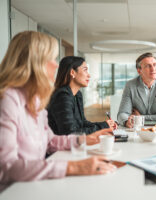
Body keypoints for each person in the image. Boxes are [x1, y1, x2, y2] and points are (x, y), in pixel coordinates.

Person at [0, 31, 116, 192]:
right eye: (51, 59)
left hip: (35, 185)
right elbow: (8, 166)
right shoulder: (7, 99)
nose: (56, 65)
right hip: (12, 191)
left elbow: (50, 141)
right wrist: (74, 167)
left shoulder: (35, 98)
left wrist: (83, 140)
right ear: (34, 61)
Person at [47, 56, 117, 135]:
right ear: (72, 72)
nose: (89, 75)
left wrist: (105, 124)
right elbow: (70, 133)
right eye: (85, 70)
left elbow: (82, 123)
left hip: (75, 145)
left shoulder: (77, 94)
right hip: (61, 146)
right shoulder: (62, 97)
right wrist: (103, 126)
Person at [117, 52, 156, 128]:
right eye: (148, 66)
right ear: (139, 71)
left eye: (154, 65)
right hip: (137, 129)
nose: (153, 69)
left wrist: (140, 118)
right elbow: (122, 113)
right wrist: (126, 122)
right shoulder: (130, 85)